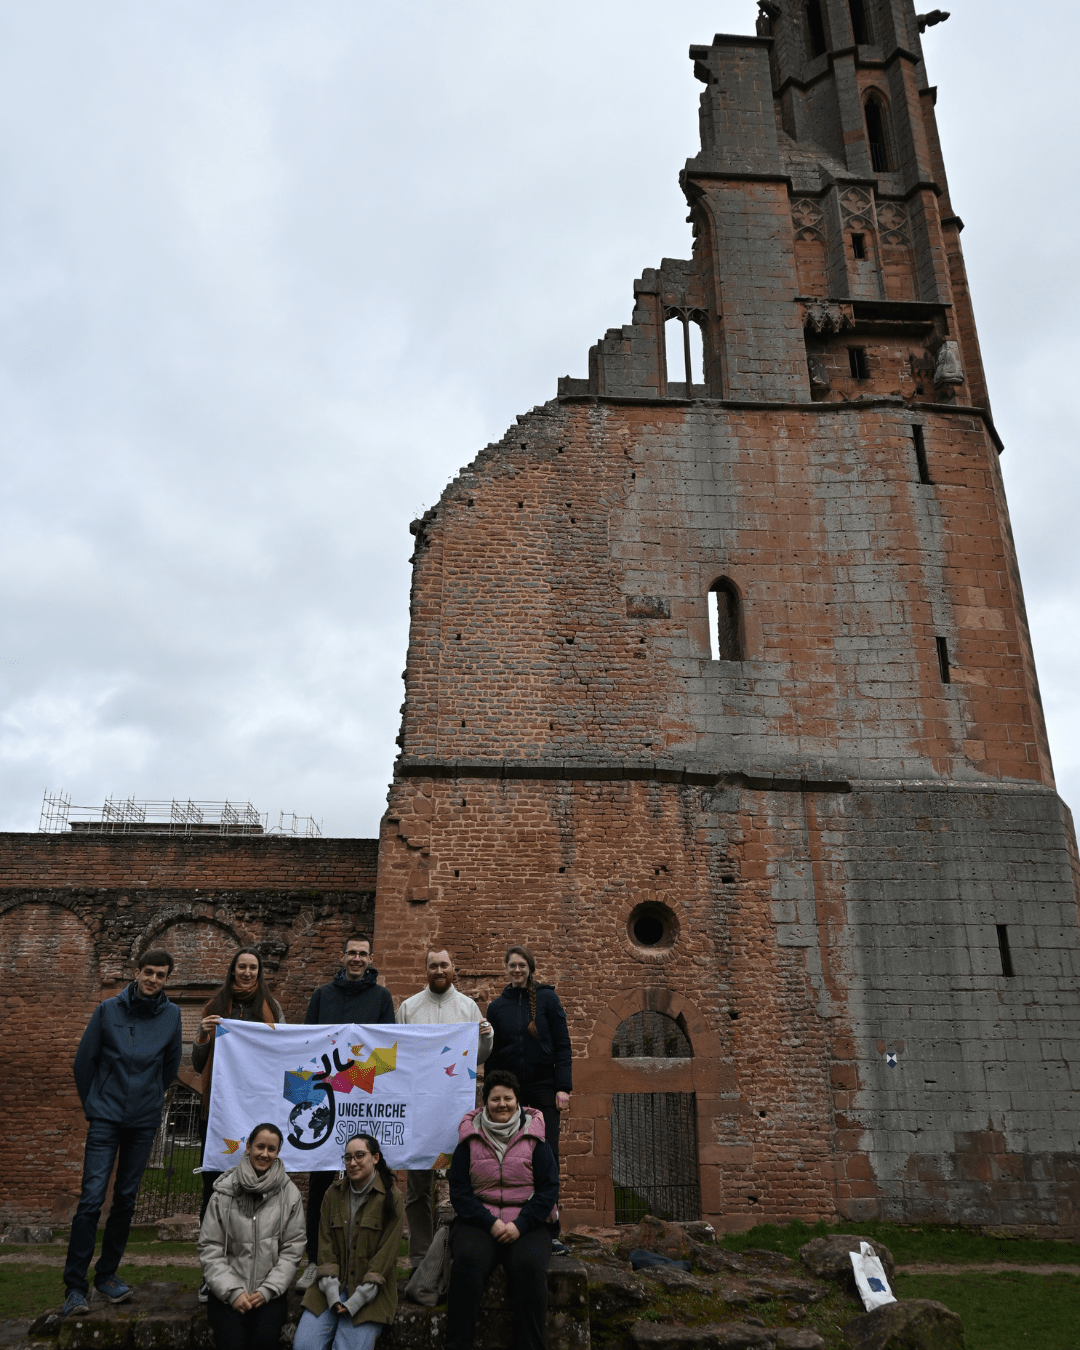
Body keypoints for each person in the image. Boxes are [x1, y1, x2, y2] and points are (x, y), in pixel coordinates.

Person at [61, 949, 182, 1319]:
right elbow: (85, 1062)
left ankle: (107, 1275)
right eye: (148, 973)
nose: (153, 980)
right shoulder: (108, 1010)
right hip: (106, 1116)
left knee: (127, 1199)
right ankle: (75, 1287)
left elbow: (170, 1067)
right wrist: (96, 1104)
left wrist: (147, 1100)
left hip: (143, 1120)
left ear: (166, 979)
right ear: (137, 972)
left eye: (161, 975)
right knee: (92, 1199)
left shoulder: (173, 1015)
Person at [299, 936, 395, 1289]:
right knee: (322, 1184)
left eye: (363, 954)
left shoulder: (381, 998)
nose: (357, 958)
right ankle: (315, 1260)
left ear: (371, 959)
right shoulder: (323, 996)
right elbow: (305, 1045)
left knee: (373, 1183)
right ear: (343, 957)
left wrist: (352, 1078)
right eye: (351, 953)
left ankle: (369, 1263)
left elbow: (387, 1053)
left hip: (364, 1103)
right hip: (325, 1102)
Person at [192, 948, 285, 1301]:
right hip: (218, 1111)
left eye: (253, 967)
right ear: (233, 970)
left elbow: (280, 1054)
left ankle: (259, 1272)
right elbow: (199, 1063)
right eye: (242, 967)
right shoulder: (216, 1006)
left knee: (262, 1192)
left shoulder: (271, 1009)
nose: (247, 972)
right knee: (216, 1192)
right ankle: (211, 1273)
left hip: (260, 1113)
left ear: (260, 972)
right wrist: (203, 1034)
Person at [445, 1070, 559, 1350]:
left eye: (508, 1098)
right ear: (485, 1104)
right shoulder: (470, 1138)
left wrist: (521, 1224)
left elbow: (548, 1188)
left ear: (517, 1101)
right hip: (479, 1220)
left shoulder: (535, 1137)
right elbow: (459, 1190)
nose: (502, 1104)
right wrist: (490, 1222)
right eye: (495, 1099)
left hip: (527, 1221)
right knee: (467, 1264)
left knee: (530, 1268)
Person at [395, 949, 494, 1268]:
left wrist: (487, 1037)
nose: (439, 970)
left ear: (454, 968)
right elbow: (398, 1055)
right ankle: (420, 1257)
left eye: (444, 965)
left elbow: (477, 1057)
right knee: (417, 1187)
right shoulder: (409, 1008)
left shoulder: (467, 1007)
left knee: (463, 1181)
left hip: (456, 1110)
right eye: (433, 965)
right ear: (425, 970)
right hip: (419, 1109)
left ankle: (462, 1254)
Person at [198, 1122, 306, 1350]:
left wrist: (268, 1290)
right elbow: (210, 1247)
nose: (264, 1154)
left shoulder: (290, 1194)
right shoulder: (223, 1193)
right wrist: (232, 1291)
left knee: (263, 1342)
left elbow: (293, 1249)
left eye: (271, 1149)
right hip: (227, 1291)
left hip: (268, 1294)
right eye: (260, 1146)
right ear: (248, 1147)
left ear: (277, 1153)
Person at [293, 1132, 404, 1350]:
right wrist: (333, 1295)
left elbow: (384, 1260)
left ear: (375, 1158)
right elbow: (325, 1250)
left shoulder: (393, 1199)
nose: (353, 1163)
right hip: (331, 1287)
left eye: (360, 1156)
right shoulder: (332, 1195)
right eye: (347, 1158)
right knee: (305, 1346)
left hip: (370, 1294)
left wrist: (356, 1301)